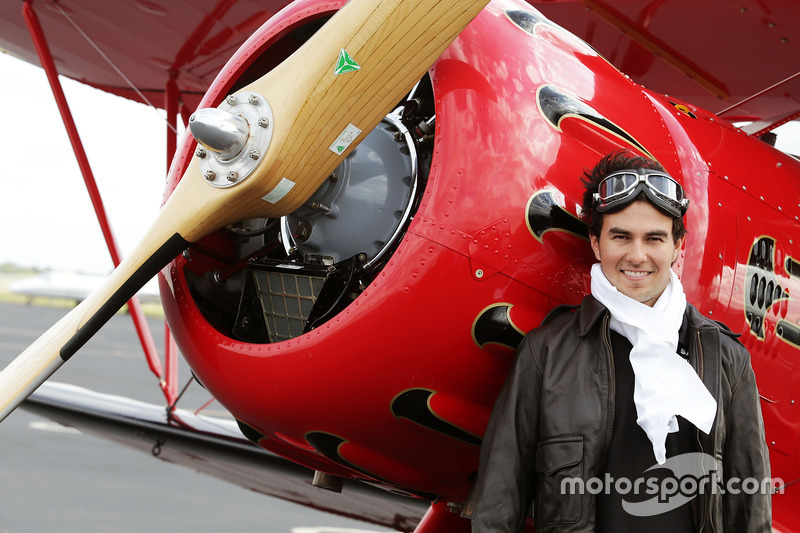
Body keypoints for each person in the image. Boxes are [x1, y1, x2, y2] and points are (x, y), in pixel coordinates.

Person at [470, 151, 772, 532]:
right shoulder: (545, 353)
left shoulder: (727, 358)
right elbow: (498, 499)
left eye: (655, 238)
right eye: (621, 236)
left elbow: (751, 505)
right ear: (596, 244)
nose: (637, 255)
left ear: (678, 246)